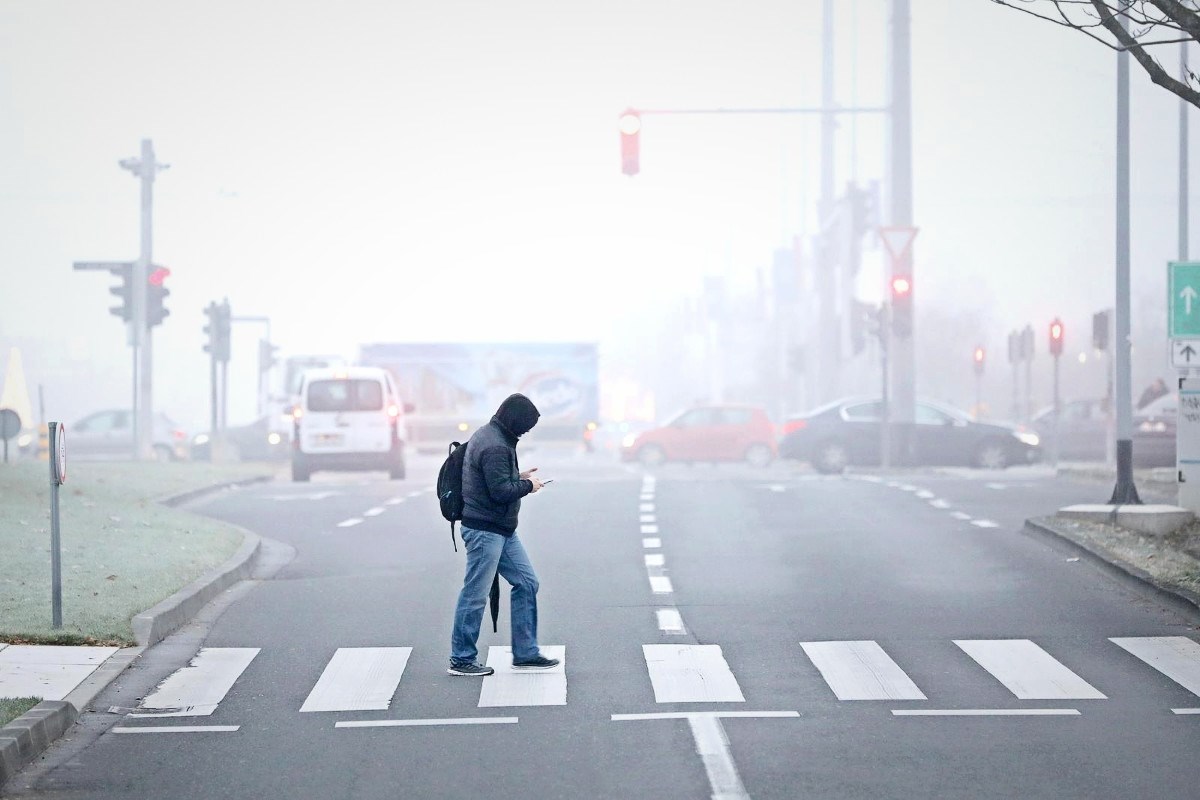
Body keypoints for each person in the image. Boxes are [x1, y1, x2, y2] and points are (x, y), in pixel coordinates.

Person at [448, 393, 559, 676]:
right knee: (475, 594)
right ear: (515, 421)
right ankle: (461, 659)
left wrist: (517, 476)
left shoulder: (490, 434)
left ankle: (525, 653)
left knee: (526, 582)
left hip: (501, 530)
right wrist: (529, 486)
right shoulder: (496, 445)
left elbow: (492, 479)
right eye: (526, 426)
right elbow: (499, 492)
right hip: (486, 530)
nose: (526, 431)